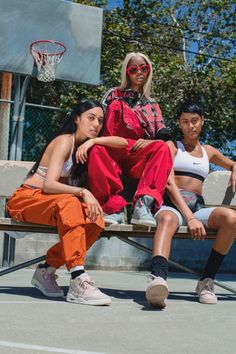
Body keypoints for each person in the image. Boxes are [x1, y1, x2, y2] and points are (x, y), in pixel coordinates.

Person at [7, 99, 128, 306]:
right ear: (76, 119)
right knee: (71, 204)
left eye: (100, 120)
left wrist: (94, 142)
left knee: (95, 219)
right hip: (26, 199)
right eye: (90, 118)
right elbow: (49, 185)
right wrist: (83, 192)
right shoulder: (65, 141)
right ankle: (78, 279)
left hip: (50, 202)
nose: (96, 125)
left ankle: (47, 269)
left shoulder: (85, 149)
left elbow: (124, 144)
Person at [146, 101, 236, 308]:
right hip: (171, 204)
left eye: (194, 121)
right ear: (179, 124)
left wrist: (235, 167)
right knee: (167, 219)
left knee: (231, 218)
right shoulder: (172, 147)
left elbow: (231, 163)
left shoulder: (209, 151)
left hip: (197, 207)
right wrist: (190, 217)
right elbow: (168, 183)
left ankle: (206, 281)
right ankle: (158, 279)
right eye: (185, 122)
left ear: (202, 122)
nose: (190, 126)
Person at [86, 52, 173, 227]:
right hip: (111, 148)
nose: (139, 72)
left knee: (163, 148)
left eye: (144, 68)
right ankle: (113, 208)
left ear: (149, 71)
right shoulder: (113, 94)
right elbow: (98, 119)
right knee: (96, 149)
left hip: (136, 153)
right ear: (127, 72)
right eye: (134, 69)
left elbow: (163, 135)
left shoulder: (152, 104)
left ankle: (143, 206)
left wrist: (150, 142)